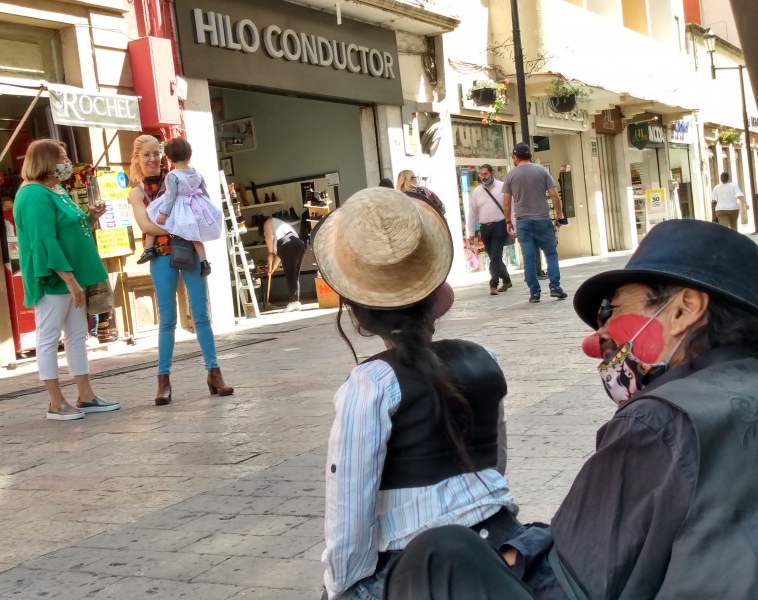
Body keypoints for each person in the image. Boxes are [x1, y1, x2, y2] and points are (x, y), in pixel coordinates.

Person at [385, 218, 758, 600]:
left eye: (610, 311)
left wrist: (517, 555)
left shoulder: (659, 420)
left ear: (684, 310)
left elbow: (572, 581)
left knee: (438, 554)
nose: (601, 335)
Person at [313, 187, 515, 600]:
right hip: (498, 540)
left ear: (357, 311)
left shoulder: (370, 385)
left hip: (418, 564)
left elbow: (350, 512)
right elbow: (497, 461)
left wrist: (340, 587)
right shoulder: (484, 358)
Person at [13, 139, 120, 420]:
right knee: (48, 337)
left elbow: (68, 229)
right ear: (45, 161)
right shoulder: (33, 194)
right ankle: (55, 402)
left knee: (76, 336)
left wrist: (90, 217)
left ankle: (86, 396)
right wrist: (70, 280)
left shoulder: (55, 189)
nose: (66, 162)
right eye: (61, 157)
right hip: (53, 277)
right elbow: (44, 240)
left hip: (70, 274)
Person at [127, 134, 233, 404]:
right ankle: (163, 380)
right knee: (167, 320)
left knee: (201, 315)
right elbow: (147, 227)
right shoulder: (137, 193)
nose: (152, 159)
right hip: (162, 255)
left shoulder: (178, 177)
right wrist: (187, 226)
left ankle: (214, 373)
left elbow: (201, 204)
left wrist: (188, 224)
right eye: (146, 155)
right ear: (137, 159)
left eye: (155, 153)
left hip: (188, 252)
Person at [137, 137, 223, 277]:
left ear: (169, 159)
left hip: (180, 206)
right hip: (196, 204)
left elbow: (170, 196)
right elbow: (205, 192)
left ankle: (148, 248)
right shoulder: (197, 172)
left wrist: (164, 213)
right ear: (189, 155)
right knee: (195, 236)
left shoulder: (173, 175)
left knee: (153, 214)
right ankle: (204, 261)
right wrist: (206, 207)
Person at [503, 143, 567, 303]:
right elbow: (554, 195)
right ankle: (555, 287)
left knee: (529, 258)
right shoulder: (542, 171)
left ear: (515, 157)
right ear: (530, 155)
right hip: (542, 220)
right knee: (551, 254)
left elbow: (506, 202)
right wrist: (559, 215)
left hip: (523, 223)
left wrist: (508, 221)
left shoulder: (510, 175)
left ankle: (535, 293)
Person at [467, 164, 514, 296]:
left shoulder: (502, 187)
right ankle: (506, 279)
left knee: (496, 256)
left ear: (491, 173)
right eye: (481, 174)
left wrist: (512, 227)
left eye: (485, 174)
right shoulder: (477, 192)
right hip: (485, 228)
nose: (483, 177)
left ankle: (493, 284)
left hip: (500, 225)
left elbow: (511, 207)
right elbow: (472, 213)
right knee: (493, 257)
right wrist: (471, 233)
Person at [255, 214, 306, 312]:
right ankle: (296, 302)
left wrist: (270, 253)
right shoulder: (280, 226)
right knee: (294, 275)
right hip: (299, 244)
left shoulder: (268, 221)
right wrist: (273, 268)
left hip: (288, 245)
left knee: (291, 275)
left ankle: (293, 302)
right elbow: (280, 254)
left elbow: (269, 237)